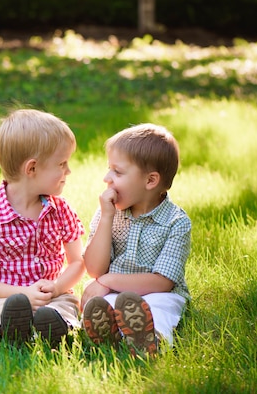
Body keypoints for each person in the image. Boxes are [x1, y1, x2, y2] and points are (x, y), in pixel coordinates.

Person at [0, 108, 86, 346]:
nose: (68, 171)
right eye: (62, 164)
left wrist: (57, 286)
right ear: (31, 169)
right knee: (2, 309)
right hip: (6, 296)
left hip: (52, 293)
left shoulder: (60, 210)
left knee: (64, 306)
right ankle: (12, 330)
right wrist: (21, 295)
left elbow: (78, 262)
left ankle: (57, 329)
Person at [80, 123, 191, 357]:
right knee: (102, 304)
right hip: (114, 293)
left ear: (150, 181)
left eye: (117, 172)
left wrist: (108, 279)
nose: (106, 178)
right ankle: (109, 334)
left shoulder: (176, 222)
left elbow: (162, 283)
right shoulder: (107, 213)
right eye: (109, 169)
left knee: (160, 309)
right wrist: (107, 218)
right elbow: (94, 269)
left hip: (158, 294)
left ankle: (150, 341)